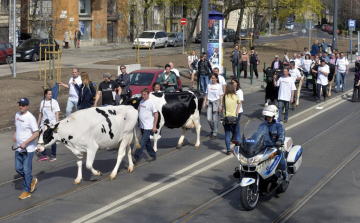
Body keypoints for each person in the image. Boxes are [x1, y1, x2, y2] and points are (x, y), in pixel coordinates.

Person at [13, 98, 39, 199]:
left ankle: (26, 191)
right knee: (18, 168)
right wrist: (15, 134)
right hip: (18, 148)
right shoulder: (17, 115)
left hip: (28, 149)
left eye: (23, 105)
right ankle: (31, 180)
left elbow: (36, 133)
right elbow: (17, 126)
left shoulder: (30, 118)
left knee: (26, 170)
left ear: (27, 106)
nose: (21, 106)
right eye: (20, 104)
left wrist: (25, 142)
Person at [258, 105, 288, 180]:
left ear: (274, 116)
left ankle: (285, 173)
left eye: (270, 116)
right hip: (263, 147)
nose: (269, 118)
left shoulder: (278, 126)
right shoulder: (262, 125)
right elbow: (256, 134)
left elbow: (281, 134)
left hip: (274, 147)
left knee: (280, 155)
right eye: (267, 116)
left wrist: (279, 141)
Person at [132, 88, 159, 164]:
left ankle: (135, 158)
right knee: (147, 143)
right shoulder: (141, 101)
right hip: (142, 126)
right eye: (142, 94)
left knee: (142, 142)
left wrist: (154, 126)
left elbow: (156, 114)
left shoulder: (151, 102)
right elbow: (138, 111)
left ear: (148, 94)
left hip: (148, 126)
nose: (143, 96)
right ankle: (153, 155)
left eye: (144, 94)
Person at [37, 89, 60, 162]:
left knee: (52, 140)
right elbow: (40, 114)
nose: (50, 95)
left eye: (51, 94)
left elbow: (56, 113)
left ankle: (53, 155)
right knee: (41, 139)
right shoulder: (42, 102)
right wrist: (37, 124)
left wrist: (57, 123)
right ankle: (43, 155)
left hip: (52, 124)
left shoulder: (54, 102)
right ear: (45, 95)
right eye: (49, 94)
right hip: (43, 124)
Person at [203, 73, 223, 140]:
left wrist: (220, 105)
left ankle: (214, 133)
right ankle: (213, 129)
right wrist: (204, 102)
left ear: (216, 79)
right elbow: (207, 94)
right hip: (209, 102)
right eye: (212, 78)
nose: (213, 79)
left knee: (215, 119)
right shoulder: (209, 85)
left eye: (214, 78)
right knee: (209, 119)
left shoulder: (219, 86)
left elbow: (221, 96)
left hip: (216, 103)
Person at [222, 83, 241, 155]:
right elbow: (239, 103)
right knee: (236, 133)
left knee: (227, 133)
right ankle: (238, 148)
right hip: (234, 117)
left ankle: (228, 150)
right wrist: (237, 110)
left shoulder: (225, 97)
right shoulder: (235, 96)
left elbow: (223, 106)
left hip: (226, 117)